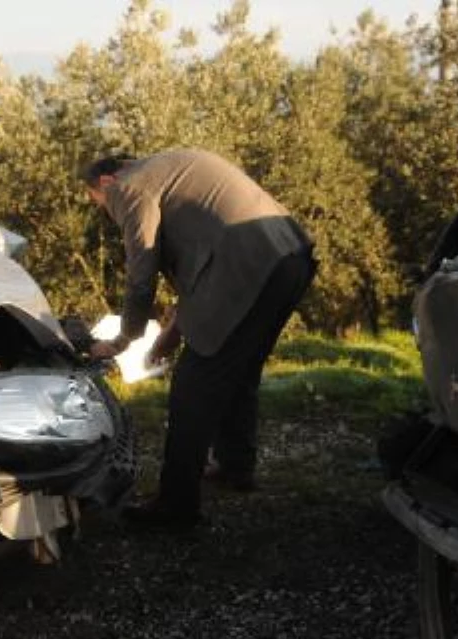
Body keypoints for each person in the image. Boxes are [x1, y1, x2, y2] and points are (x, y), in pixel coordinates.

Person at [83, 149, 316, 531]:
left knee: (193, 385)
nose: (107, 214)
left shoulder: (128, 187)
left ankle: (176, 507)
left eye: (99, 205)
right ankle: (235, 466)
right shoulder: (170, 169)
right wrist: (172, 335)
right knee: (238, 370)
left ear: (106, 182)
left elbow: (143, 271)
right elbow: (202, 274)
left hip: (247, 264)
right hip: (288, 257)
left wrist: (123, 339)